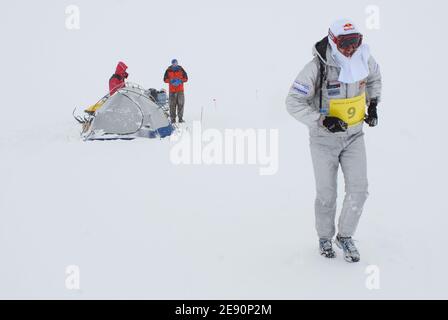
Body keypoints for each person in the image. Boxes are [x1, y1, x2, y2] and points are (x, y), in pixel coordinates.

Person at [286, 19, 382, 263]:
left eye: (355, 42)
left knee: (359, 190)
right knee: (327, 194)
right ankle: (325, 237)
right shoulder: (316, 67)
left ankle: (346, 236)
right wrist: (321, 120)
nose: (350, 49)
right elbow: (293, 102)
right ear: (333, 40)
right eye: (345, 44)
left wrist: (373, 105)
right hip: (323, 140)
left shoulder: (364, 59)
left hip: (354, 135)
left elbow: (374, 79)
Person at [163, 59, 188, 123]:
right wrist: (170, 81)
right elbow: (165, 79)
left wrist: (180, 80)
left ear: (177, 63)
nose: (175, 64)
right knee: (172, 105)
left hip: (180, 90)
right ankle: (173, 119)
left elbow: (186, 78)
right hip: (172, 91)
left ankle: (180, 118)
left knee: (181, 104)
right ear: (172, 63)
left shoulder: (181, 69)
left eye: (176, 63)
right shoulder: (168, 70)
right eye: (173, 63)